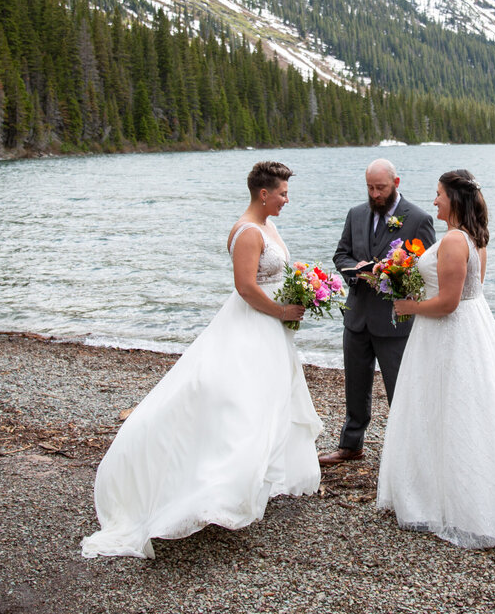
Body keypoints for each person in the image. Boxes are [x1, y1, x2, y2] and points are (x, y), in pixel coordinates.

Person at [81, 161, 322, 559]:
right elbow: (245, 288)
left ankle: (258, 477)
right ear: (263, 194)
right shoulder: (247, 231)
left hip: (272, 330)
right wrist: (281, 312)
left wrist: (305, 287)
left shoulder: (267, 226)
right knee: (242, 402)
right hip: (253, 324)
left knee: (269, 399)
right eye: (282, 193)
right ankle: (219, 489)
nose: (286, 199)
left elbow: (277, 273)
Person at [377, 169, 495, 548]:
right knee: (459, 411)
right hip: (468, 331)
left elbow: (449, 303)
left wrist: (410, 305)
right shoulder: (473, 239)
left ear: (454, 199)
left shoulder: (455, 240)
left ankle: (447, 502)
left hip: (448, 334)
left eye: (439, 194)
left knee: (446, 410)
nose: (435, 200)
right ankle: (445, 494)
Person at [320, 159, 436, 466]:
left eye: (380, 187)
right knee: (355, 385)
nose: (375, 194)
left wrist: (389, 275)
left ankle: (409, 452)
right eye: (370, 188)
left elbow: (425, 268)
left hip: (393, 319)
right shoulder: (356, 214)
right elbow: (340, 253)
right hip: (357, 315)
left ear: (396, 183)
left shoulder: (419, 219)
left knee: (400, 388)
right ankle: (351, 445)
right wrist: (354, 272)